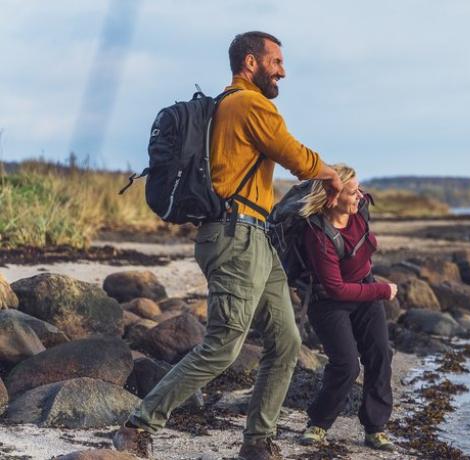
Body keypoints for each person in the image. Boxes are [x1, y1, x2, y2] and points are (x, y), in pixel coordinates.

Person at [114, 31, 343, 460]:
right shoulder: (248, 103)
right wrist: (330, 174)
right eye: (276, 61)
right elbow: (293, 155)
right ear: (251, 62)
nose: (283, 70)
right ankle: (137, 426)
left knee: (287, 341)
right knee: (223, 344)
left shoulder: (229, 105)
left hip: (255, 237)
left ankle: (257, 441)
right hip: (236, 236)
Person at [295, 164, 399, 452]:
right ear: (333, 196)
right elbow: (336, 289)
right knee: (347, 364)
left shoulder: (359, 207)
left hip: (364, 290)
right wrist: (382, 290)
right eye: (353, 191)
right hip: (328, 302)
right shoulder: (318, 235)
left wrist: (371, 287)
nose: (359, 196)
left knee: (380, 355)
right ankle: (318, 423)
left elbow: (361, 201)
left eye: (359, 190)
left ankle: (375, 429)